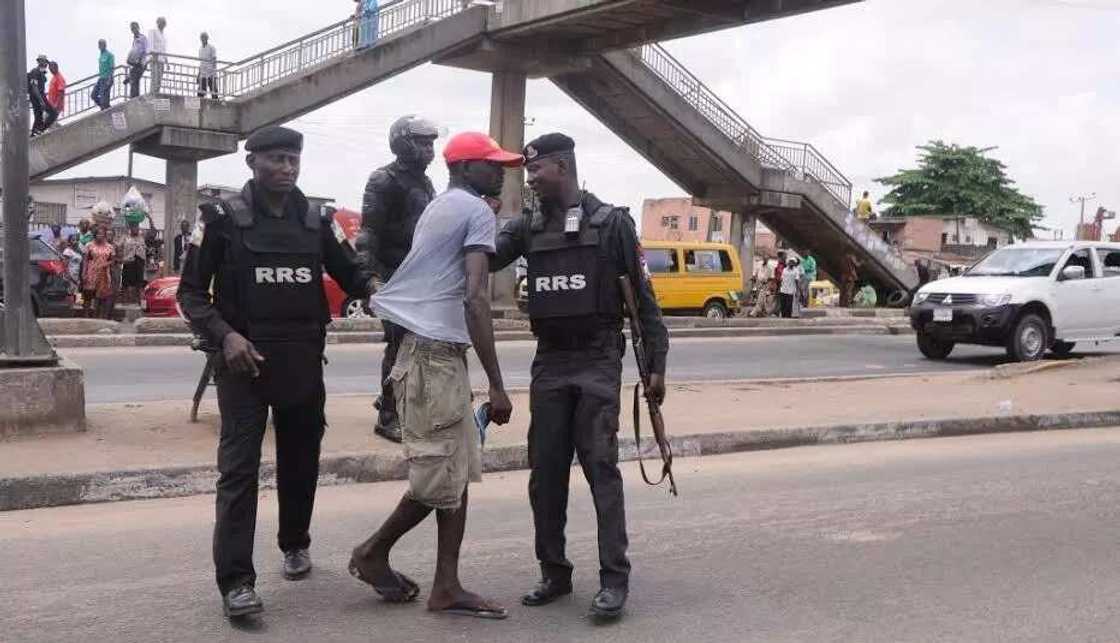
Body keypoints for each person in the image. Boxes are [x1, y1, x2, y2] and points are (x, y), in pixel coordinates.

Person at [177, 126, 372, 619]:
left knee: (301, 459)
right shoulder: (220, 219)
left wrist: (386, 288)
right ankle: (236, 583)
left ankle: (295, 543)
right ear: (252, 163)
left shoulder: (317, 220)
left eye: (293, 160)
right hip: (243, 364)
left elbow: (355, 277)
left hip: (302, 359)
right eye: (277, 159)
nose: (287, 168)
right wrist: (227, 336)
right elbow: (192, 295)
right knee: (239, 471)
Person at [490, 133, 670, 621]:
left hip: (596, 360)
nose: (529, 178)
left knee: (601, 473)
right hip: (550, 361)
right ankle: (554, 571)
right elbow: (485, 251)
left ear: (563, 167)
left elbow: (645, 303)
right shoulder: (528, 224)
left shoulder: (611, 224)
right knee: (544, 474)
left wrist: (656, 366)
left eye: (536, 170)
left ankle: (615, 579)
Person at [348, 132, 519, 620]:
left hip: (432, 356)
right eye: (492, 164)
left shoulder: (443, 206)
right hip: (434, 359)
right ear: (465, 168)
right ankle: (372, 552)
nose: (502, 172)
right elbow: (476, 298)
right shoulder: (476, 211)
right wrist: (498, 385)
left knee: (456, 472)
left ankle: (446, 585)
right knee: (437, 476)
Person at [355, 115, 439, 443]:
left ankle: (392, 397)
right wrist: (371, 281)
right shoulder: (383, 180)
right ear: (403, 142)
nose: (429, 149)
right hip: (394, 278)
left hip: (419, 278)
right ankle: (388, 416)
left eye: (431, 142)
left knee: (417, 348)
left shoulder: (425, 182)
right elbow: (368, 234)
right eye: (422, 142)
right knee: (399, 347)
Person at [83, 225, 116, 319]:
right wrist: (84, 274)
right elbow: (85, 260)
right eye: (98, 234)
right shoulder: (89, 245)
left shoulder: (109, 247)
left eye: (102, 234)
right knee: (88, 296)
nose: (100, 236)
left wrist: (106, 264)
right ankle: (86, 316)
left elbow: (113, 260)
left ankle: (99, 317)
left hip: (104, 274)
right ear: (95, 235)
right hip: (91, 272)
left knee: (102, 296)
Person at [119, 220, 149, 304]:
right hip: (128, 262)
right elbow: (117, 246)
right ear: (130, 228)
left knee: (139, 284)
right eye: (134, 227)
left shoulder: (142, 237)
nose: (136, 229)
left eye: (137, 227)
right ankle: (125, 302)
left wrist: (149, 219)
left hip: (139, 262)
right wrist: (120, 258)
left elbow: (153, 233)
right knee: (126, 284)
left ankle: (138, 302)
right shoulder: (125, 237)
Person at [28, 55, 52, 136]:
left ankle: (35, 132)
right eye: (44, 61)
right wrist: (41, 100)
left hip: (40, 96)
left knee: (39, 115)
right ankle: (38, 130)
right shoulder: (35, 71)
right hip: (36, 96)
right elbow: (34, 87)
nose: (46, 64)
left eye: (46, 62)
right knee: (51, 112)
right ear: (39, 61)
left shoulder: (42, 73)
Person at [127, 22, 148, 98]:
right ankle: (134, 98)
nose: (133, 30)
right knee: (134, 80)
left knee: (134, 79)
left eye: (135, 28)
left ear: (138, 28)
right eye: (132, 28)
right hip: (135, 63)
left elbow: (146, 50)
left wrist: (141, 60)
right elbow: (134, 51)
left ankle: (134, 98)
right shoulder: (134, 40)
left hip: (141, 63)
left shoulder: (143, 38)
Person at [93, 40, 114, 110]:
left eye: (101, 44)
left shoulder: (109, 55)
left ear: (105, 45)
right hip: (101, 78)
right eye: (99, 45)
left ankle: (104, 107)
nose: (100, 46)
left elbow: (112, 68)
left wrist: (110, 79)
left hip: (107, 78)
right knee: (93, 95)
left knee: (104, 98)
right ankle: (106, 107)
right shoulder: (101, 55)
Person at [148, 17, 168, 94]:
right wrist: (153, 54)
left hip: (162, 60)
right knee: (155, 79)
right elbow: (150, 44)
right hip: (155, 58)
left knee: (159, 80)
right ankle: (152, 94)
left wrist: (166, 61)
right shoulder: (153, 31)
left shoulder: (163, 35)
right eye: (161, 23)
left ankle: (157, 93)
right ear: (158, 23)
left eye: (164, 23)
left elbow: (163, 48)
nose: (163, 25)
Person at [197, 32, 218, 100]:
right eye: (202, 38)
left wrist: (214, 73)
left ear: (207, 38)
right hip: (203, 74)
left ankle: (216, 106)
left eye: (204, 38)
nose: (203, 39)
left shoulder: (211, 47)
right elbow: (201, 63)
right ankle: (199, 109)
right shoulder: (200, 49)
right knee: (200, 92)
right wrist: (198, 74)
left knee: (214, 91)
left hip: (211, 73)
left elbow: (214, 60)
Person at [46, 61, 66, 126]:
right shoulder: (54, 77)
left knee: (49, 122)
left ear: (56, 67)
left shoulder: (59, 78)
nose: (50, 69)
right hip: (51, 105)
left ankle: (61, 130)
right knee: (50, 122)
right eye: (49, 68)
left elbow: (61, 93)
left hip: (55, 106)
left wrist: (56, 105)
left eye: (51, 67)